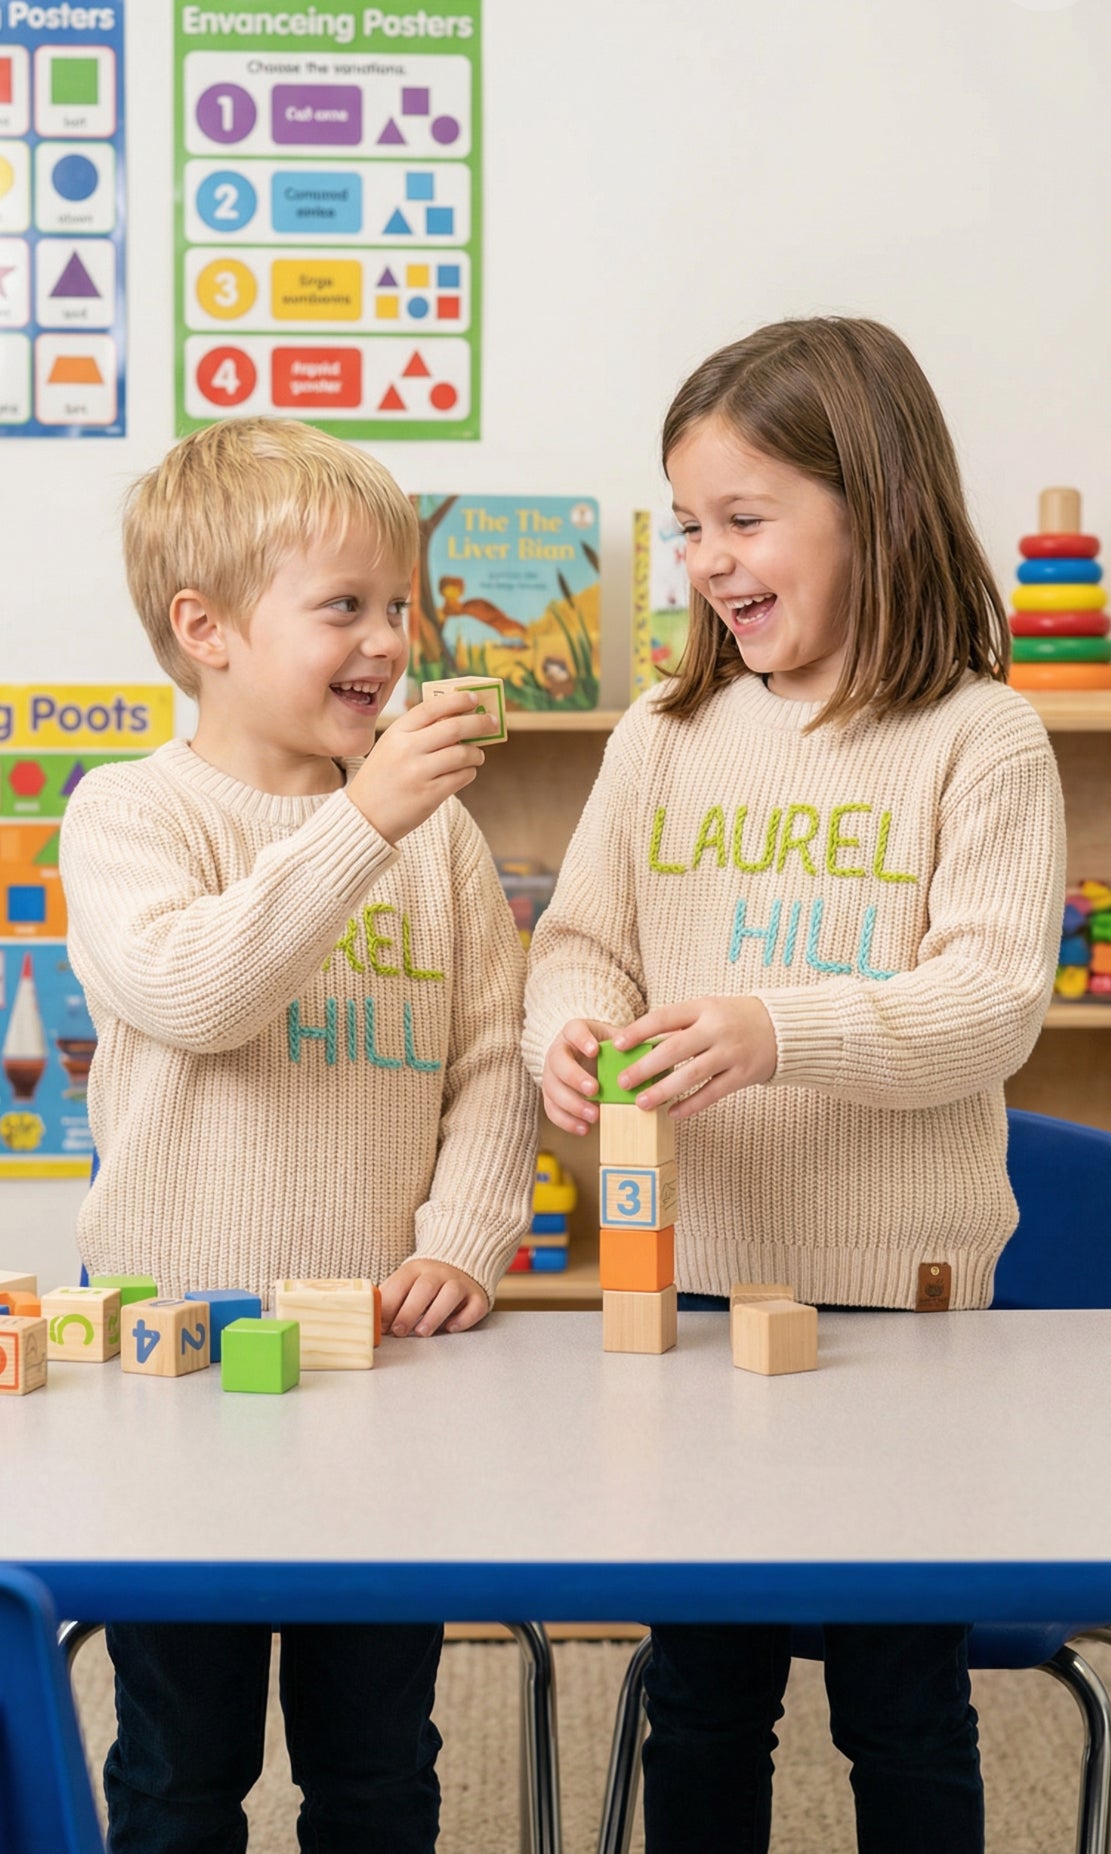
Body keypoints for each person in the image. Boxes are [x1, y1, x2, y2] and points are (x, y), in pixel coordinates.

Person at [523, 317, 1065, 1854]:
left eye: (745, 519)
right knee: (706, 1695)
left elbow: (990, 1002)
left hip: (908, 1307)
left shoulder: (982, 737)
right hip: (696, 1288)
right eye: (689, 524)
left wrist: (778, 1030)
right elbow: (579, 941)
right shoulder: (663, 733)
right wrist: (566, 1025)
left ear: (871, 505)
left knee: (903, 1705)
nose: (708, 558)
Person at [59, 415, 538, 1854]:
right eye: (344, 605)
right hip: (177, 1370)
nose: (387, 639)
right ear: (204, 627)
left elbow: (493, 1056)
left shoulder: (436, 836)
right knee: (181, 1763)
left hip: (381, 1367)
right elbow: (196, 993)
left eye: (400, 604)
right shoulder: (128, 812)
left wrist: (466, 1235)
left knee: (377, 1762)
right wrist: (361, 822)